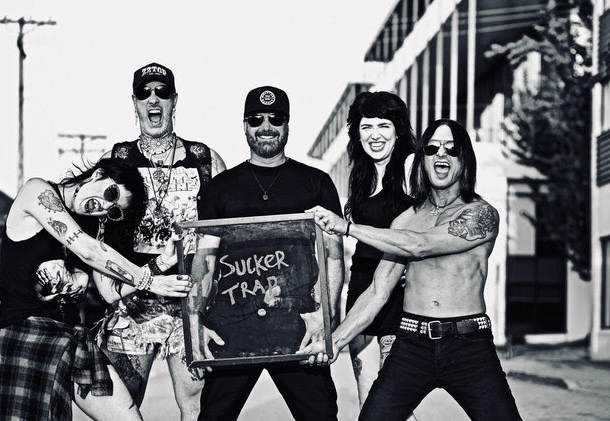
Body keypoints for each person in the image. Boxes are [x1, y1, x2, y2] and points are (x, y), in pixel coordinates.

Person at [302, 119, 522, 420]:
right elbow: (377, 291)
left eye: (451, 149)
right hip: (412, 345)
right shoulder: (406, 220)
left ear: (464, 159)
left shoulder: (480, 214)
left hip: (468, 345)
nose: (440, 154)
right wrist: (334, 342)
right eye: (432, 148)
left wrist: (348, 228)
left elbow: (420, 245)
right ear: (422, 159)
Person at [0, 158, 190, 421]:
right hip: (27, 334)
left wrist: (160, 264)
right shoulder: (37, 191)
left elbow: (109, 291)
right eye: (112, 194)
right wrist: (148, 281)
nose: (105, 207)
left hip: (74, 338)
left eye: (114, 211)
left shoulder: (93, 227)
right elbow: (88, 250)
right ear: (99, 174)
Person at [191, 85, 345, 421]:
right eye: (256, 119)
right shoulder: (220, 188)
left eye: (275, 118)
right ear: (244, 125)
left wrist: (326, 320)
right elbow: (205, 260)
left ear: (287, 124)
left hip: (298, 326)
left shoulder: (316, 182)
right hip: (233, 327)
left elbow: (332, 255)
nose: (266, 126)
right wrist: (195, 321)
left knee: (320, 416)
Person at [95, 62, 226, 419]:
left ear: (174, 100)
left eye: (162, 92)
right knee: (121, 407)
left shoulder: (204, 159)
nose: (153, 99)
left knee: (196, 408)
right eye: (144, 93)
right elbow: (97, 237)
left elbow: (225, 233)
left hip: (189, 304)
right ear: (134, 102)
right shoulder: (116, 160)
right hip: (132, 303)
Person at [341, 91, 416, 411]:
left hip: (400, 291)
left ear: (398, 130)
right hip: (361, 285)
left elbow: (432, 227)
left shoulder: (413, 169)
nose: (375, 135)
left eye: (383, 125)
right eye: (366, 126)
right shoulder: (360, 174)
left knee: (394, 404)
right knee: (368, 401)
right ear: (357, 133)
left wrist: (416, 266)